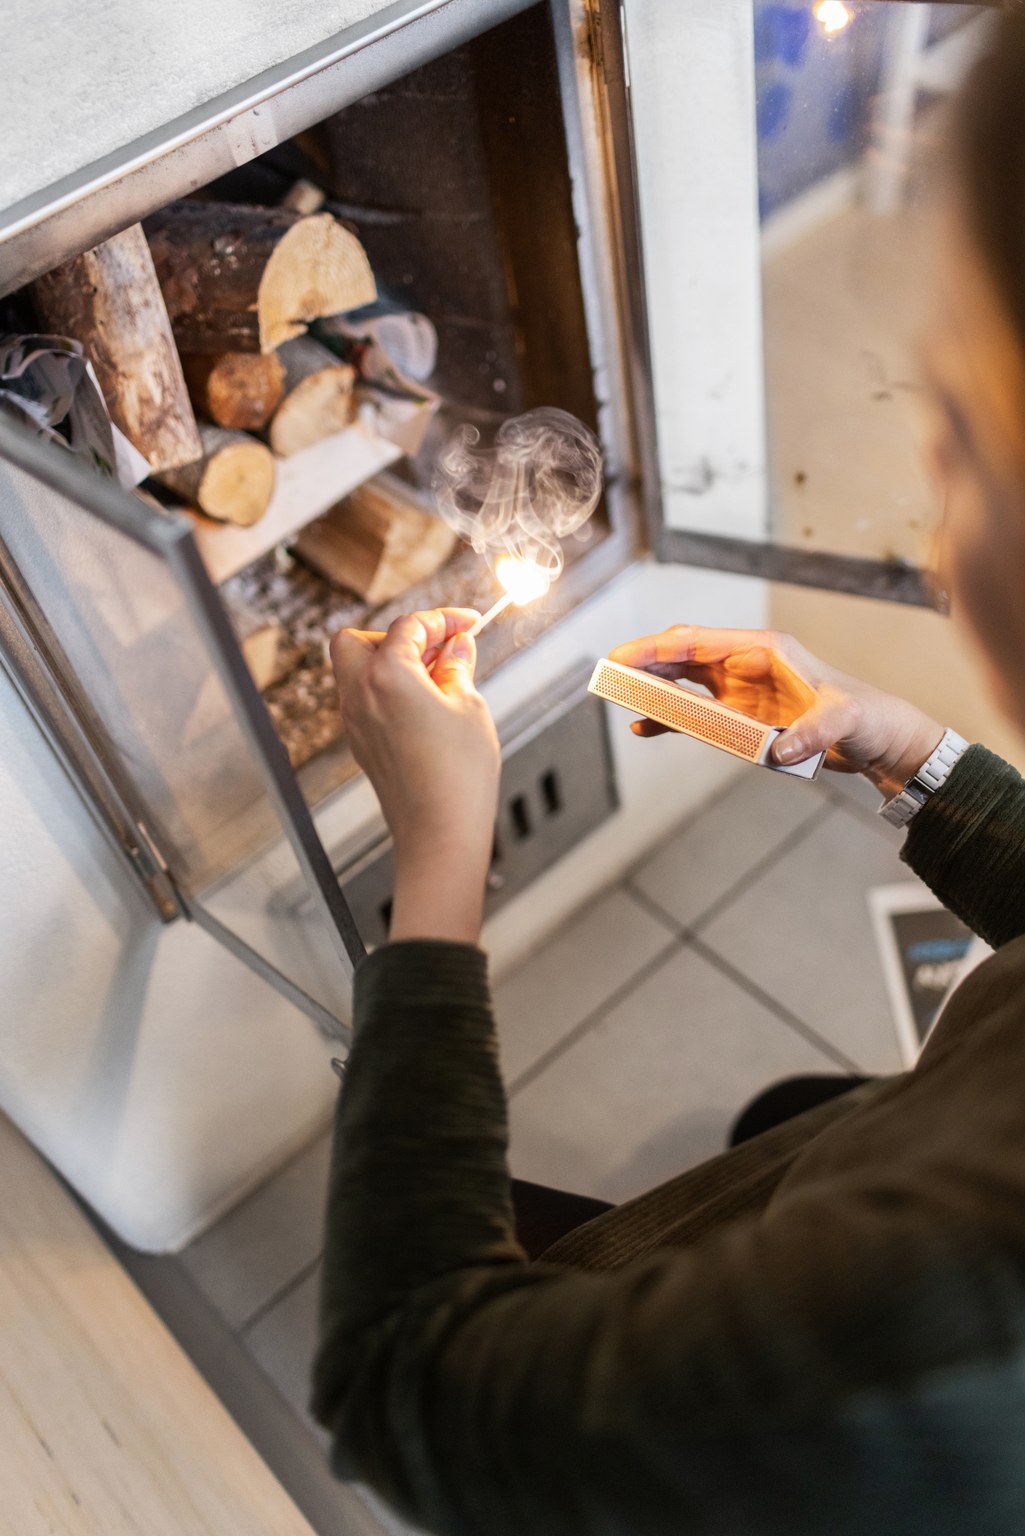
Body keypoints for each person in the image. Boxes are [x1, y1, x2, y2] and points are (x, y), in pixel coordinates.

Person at [311, 20, 1025, 1535]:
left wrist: (436, 876)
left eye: (957, 434)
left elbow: (398, 1387)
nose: (935, 519)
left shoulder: (930, 1324)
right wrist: (907, 745)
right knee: (787, 1105)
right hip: (830, 1196)